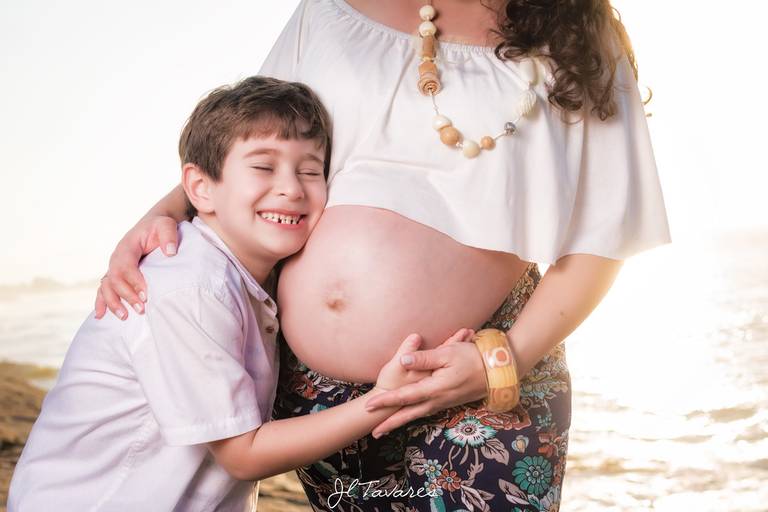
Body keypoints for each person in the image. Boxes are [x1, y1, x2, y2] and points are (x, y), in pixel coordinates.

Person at [94, 1, 671, 510]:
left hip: (478, 370)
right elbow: (245, 136)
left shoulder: (578, 35)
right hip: (312, 396)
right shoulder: (328, 9)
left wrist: (507, 359)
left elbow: (605, 232)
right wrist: (164, 212)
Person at [8, 76, 465, 511]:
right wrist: (383, 398)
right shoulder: (191, 285)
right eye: (264, 167)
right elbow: (242, 454)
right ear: (201, 189)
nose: (291, 188)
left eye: (311, 170)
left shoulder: (243, 273)